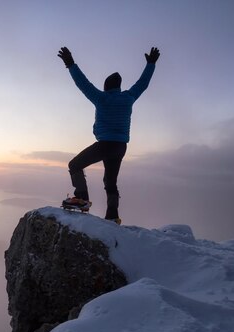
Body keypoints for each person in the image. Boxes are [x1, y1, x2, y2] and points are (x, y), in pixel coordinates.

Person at [58, 46, 160, 224]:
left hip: (105, 144)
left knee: (74, 165)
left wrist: (70, 64)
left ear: (106, 87)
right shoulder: (129, 97)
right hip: (120, 147)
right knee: (110, 181)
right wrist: (151, 64)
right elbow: (142, 83)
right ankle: (112, 216)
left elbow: (83, 83)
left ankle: (81, 200)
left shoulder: (101, 98)